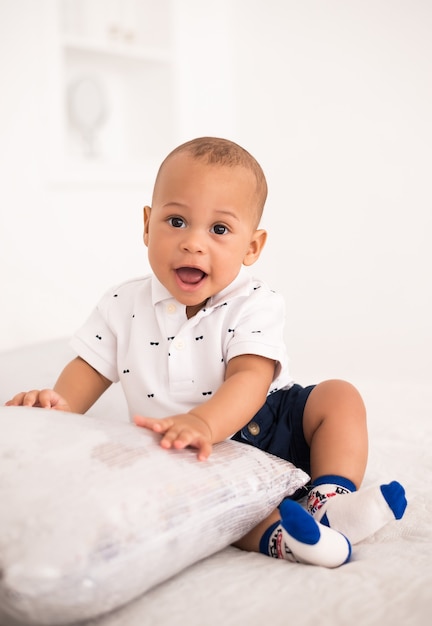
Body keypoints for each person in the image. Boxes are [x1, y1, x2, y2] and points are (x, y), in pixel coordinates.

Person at [6, 137, 406, 568]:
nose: (193, 243)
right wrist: (55, 407)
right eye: (176, 221)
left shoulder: (256, 302)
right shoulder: (121, 305)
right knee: (213, 511)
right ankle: (286, 538)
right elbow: (86, 372)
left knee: (338, 396)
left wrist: (203, 421)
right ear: (146, 224)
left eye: (219, 229)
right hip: (184, 450)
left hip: (267, 423)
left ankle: (331, 498)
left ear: (251, 247)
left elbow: (250, 378)